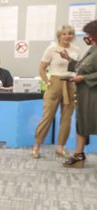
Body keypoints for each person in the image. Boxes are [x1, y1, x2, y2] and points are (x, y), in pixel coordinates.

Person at [31, 25, 81, 159]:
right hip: (55, 83)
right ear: (59, 35)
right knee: (47, 116)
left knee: (66, 118)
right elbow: (41, 69)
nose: (67, 36)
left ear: (73, 36)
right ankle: (36, 146)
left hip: (70, 84)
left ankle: (60, 147)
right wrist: (47, 82)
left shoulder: (76, 50)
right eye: (64, 34)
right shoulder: (52, 49)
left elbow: (78, 68)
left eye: (70, 34)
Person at [60, 20, 97, 168]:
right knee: (82, 122)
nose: (86, 36)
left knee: (91, 122)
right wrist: (68, 59)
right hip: (85, 93)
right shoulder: (93, 49)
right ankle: (79, 155)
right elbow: (82, 66)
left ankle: (79, 155)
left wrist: (84, 78)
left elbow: (87, 73)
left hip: (93, 94)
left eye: (89, 33)